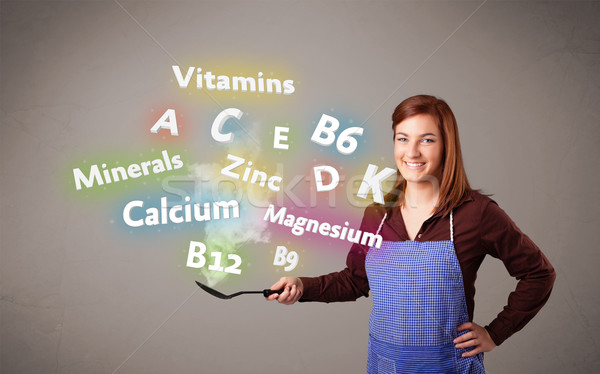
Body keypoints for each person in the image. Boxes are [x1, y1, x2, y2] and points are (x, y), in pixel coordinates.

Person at [266, 94, 555, 373]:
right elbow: (355, 280)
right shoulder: (377, 216)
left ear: (446, 146)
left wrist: (495, 333)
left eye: (426, 140)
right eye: (403, 139)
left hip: (448, 368)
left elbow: (539, 273)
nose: (412, 152)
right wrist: (302, 285)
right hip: (385, 366)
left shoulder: (476, 213)